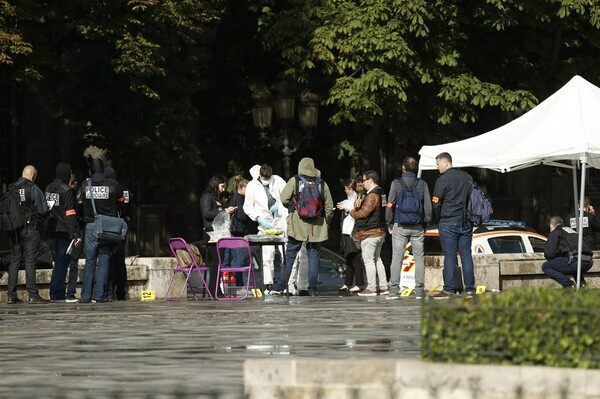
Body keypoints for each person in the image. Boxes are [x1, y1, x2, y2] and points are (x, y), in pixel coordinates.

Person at [268, 157, 333, 297]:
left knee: (290, 256)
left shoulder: (295, 181)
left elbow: (284, 198)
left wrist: (294, 207)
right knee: (313, 258)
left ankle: (280, 286)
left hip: (297, 224)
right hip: (316, 226)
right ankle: (312, 289)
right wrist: (326, 222)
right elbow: (328, 207)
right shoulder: (322, 184)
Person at [385, 156, 432, 300]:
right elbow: (428, 206)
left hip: (400, 226)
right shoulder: (422, 183)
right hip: (417, 226)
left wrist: (389, 223)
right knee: (419, 259)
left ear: (403, 168)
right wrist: (426, 223)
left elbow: (389, 205)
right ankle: (419, 292)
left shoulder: (396, 183)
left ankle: (394, 291)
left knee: (397, 258)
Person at [431, 152, 475, 298]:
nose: (437, 168)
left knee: (449, 256)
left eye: (438, 164)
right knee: (466, 256)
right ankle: (469, 289)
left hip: (448, 221)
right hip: (466, 221)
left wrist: (439, 218)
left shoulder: (442, 180)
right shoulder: (467, 177)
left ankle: (448, 288)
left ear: (446, 163)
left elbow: (436, 203)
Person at [79, 158, 124, 303]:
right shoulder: (112, 184)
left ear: (91, 170)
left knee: (90, 261)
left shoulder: (85, 184)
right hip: (107, 227)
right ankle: (100, 295)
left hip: (91, 226)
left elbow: (79, 204)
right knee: (104, 260)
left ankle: (85, 296)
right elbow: (121, 200)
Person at [6, 165, 50, 304]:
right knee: (30, 260)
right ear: (33, 176)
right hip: (31, 228)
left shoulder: (11, 188)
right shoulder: (33, 188)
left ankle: (11, 295)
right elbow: (42, 210)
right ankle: (32, 294)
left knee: (15, 260)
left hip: (14, 229)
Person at [242, 164, 287, 290]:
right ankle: (268, 284)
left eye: (268, 178)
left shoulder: (278, 180)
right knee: (268, 255)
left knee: (285, 253)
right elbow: (247, 207)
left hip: (280, 221)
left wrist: (280, 203)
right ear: (259, 176)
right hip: (264, 223)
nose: (266, 181)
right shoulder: (252, 185)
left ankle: (286, 283)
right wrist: (257, 218)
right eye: (264, 179)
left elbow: (288, 195)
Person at [45, 162, 81, 302]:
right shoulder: (67, 190)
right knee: (62, 263)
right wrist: (75, 234)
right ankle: (57, 293)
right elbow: (70, 214)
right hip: (64, 231)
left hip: (52, 229)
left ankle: (55, 292)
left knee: (57, 261)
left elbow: (47, 209)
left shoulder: (49, 188)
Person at [350, 170, 388, 297]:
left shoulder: (372, 195)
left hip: (370, 232)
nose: (363, 183)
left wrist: (350, 211)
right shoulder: (381, 193)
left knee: (369, 260)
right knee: (377, 259)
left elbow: (363, 213)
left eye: (364, 180)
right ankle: (383, 287)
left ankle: (371, 288)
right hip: (380, 231)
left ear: (370, 180)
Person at [200, 174, 236, 296]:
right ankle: (213, 290)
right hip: (211, 233)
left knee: (219, 261)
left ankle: (215, 289)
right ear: (216, 184)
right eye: (222, 186)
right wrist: (223, 211)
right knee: (215, 261)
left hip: (220, 233)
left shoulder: (217, 198)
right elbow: (207, 213)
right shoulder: (207, 197)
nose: (223, 189)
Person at [542, 215, 593, 288]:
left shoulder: (555, 232)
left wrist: (556, 257)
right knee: (572, 262)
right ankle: (582, 285)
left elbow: (549, 253)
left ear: (552, 225)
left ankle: (569, 284)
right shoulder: (571, 230)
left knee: (546, 266)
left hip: (576, 261)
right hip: (589, 261)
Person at [106, 166, 132, 300]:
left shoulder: (110, 188)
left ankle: (109, 291)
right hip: (123, 226)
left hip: (110, 226)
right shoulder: (126, 190)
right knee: (120, 260)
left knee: (109, 259)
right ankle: (121, 292)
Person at [336, 177, 364, 292]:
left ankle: (359, 283)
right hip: (347, 231)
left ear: (351, 189)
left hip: (353, 231)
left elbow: (356, 210)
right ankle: (348, 283)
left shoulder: (357, 199)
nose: (345, 191)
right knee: (349, 258)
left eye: (347, 189)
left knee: (355, 258)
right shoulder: (349, 200)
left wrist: (347, 206)